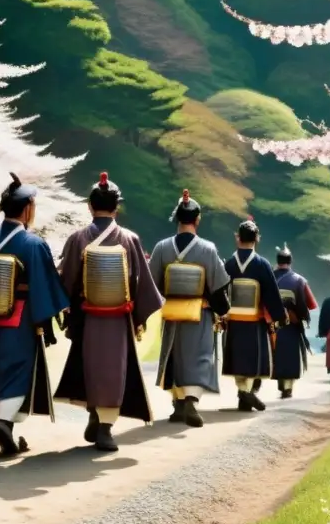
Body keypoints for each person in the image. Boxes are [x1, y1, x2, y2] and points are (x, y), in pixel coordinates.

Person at [0, 173, 70, 456]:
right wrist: (62, 309)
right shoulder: (33, 244)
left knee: (0, 366)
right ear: (28, 208)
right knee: (19, 369)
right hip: (22, 317)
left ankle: (7, 428)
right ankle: (4, 424)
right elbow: (46, 284)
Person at [54, 171, 164, 452]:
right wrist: (138, 317)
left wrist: (67, 310)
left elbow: (65, 280)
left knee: (89, 367)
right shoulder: (129, 239)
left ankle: (96, 417)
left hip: (88, 317)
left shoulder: (78, 239)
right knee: (114, 369)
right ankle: (104, 427)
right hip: (119, 318)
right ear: (117, 207)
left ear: (90, 206)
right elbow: (142, 284)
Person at [149, 190, 230, 427]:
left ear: (177, 218)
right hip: (200, 312)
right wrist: (222, 310)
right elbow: (217, 287)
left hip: (173, 312)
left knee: (175, 356)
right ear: (197, 219)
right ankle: (191, 402)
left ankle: (178, 404)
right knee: (199, 356)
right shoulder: (208, 249)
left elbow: (152, 283)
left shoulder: (162, 248)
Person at [222, 216, 286, 412]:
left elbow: (221, 291)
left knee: (237, 357)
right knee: (252, 359)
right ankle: (246, 393)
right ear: (257, 238)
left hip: (233, 319)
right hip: (253, 320)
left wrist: (221, 314)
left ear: (237, 237)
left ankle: (243, 391)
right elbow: (271, 294)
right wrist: (279, 317)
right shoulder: (262, 264)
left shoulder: (229, 264)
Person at [271, 243, 317, 399]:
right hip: (292, 324)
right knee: (290, 355)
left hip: (271, 324)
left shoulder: (268, 276)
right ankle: (288, 386)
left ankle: (277, 382)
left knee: (274, 354)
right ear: (290, 262)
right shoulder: (299, 280)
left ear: (277, 261)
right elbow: (311, 304)